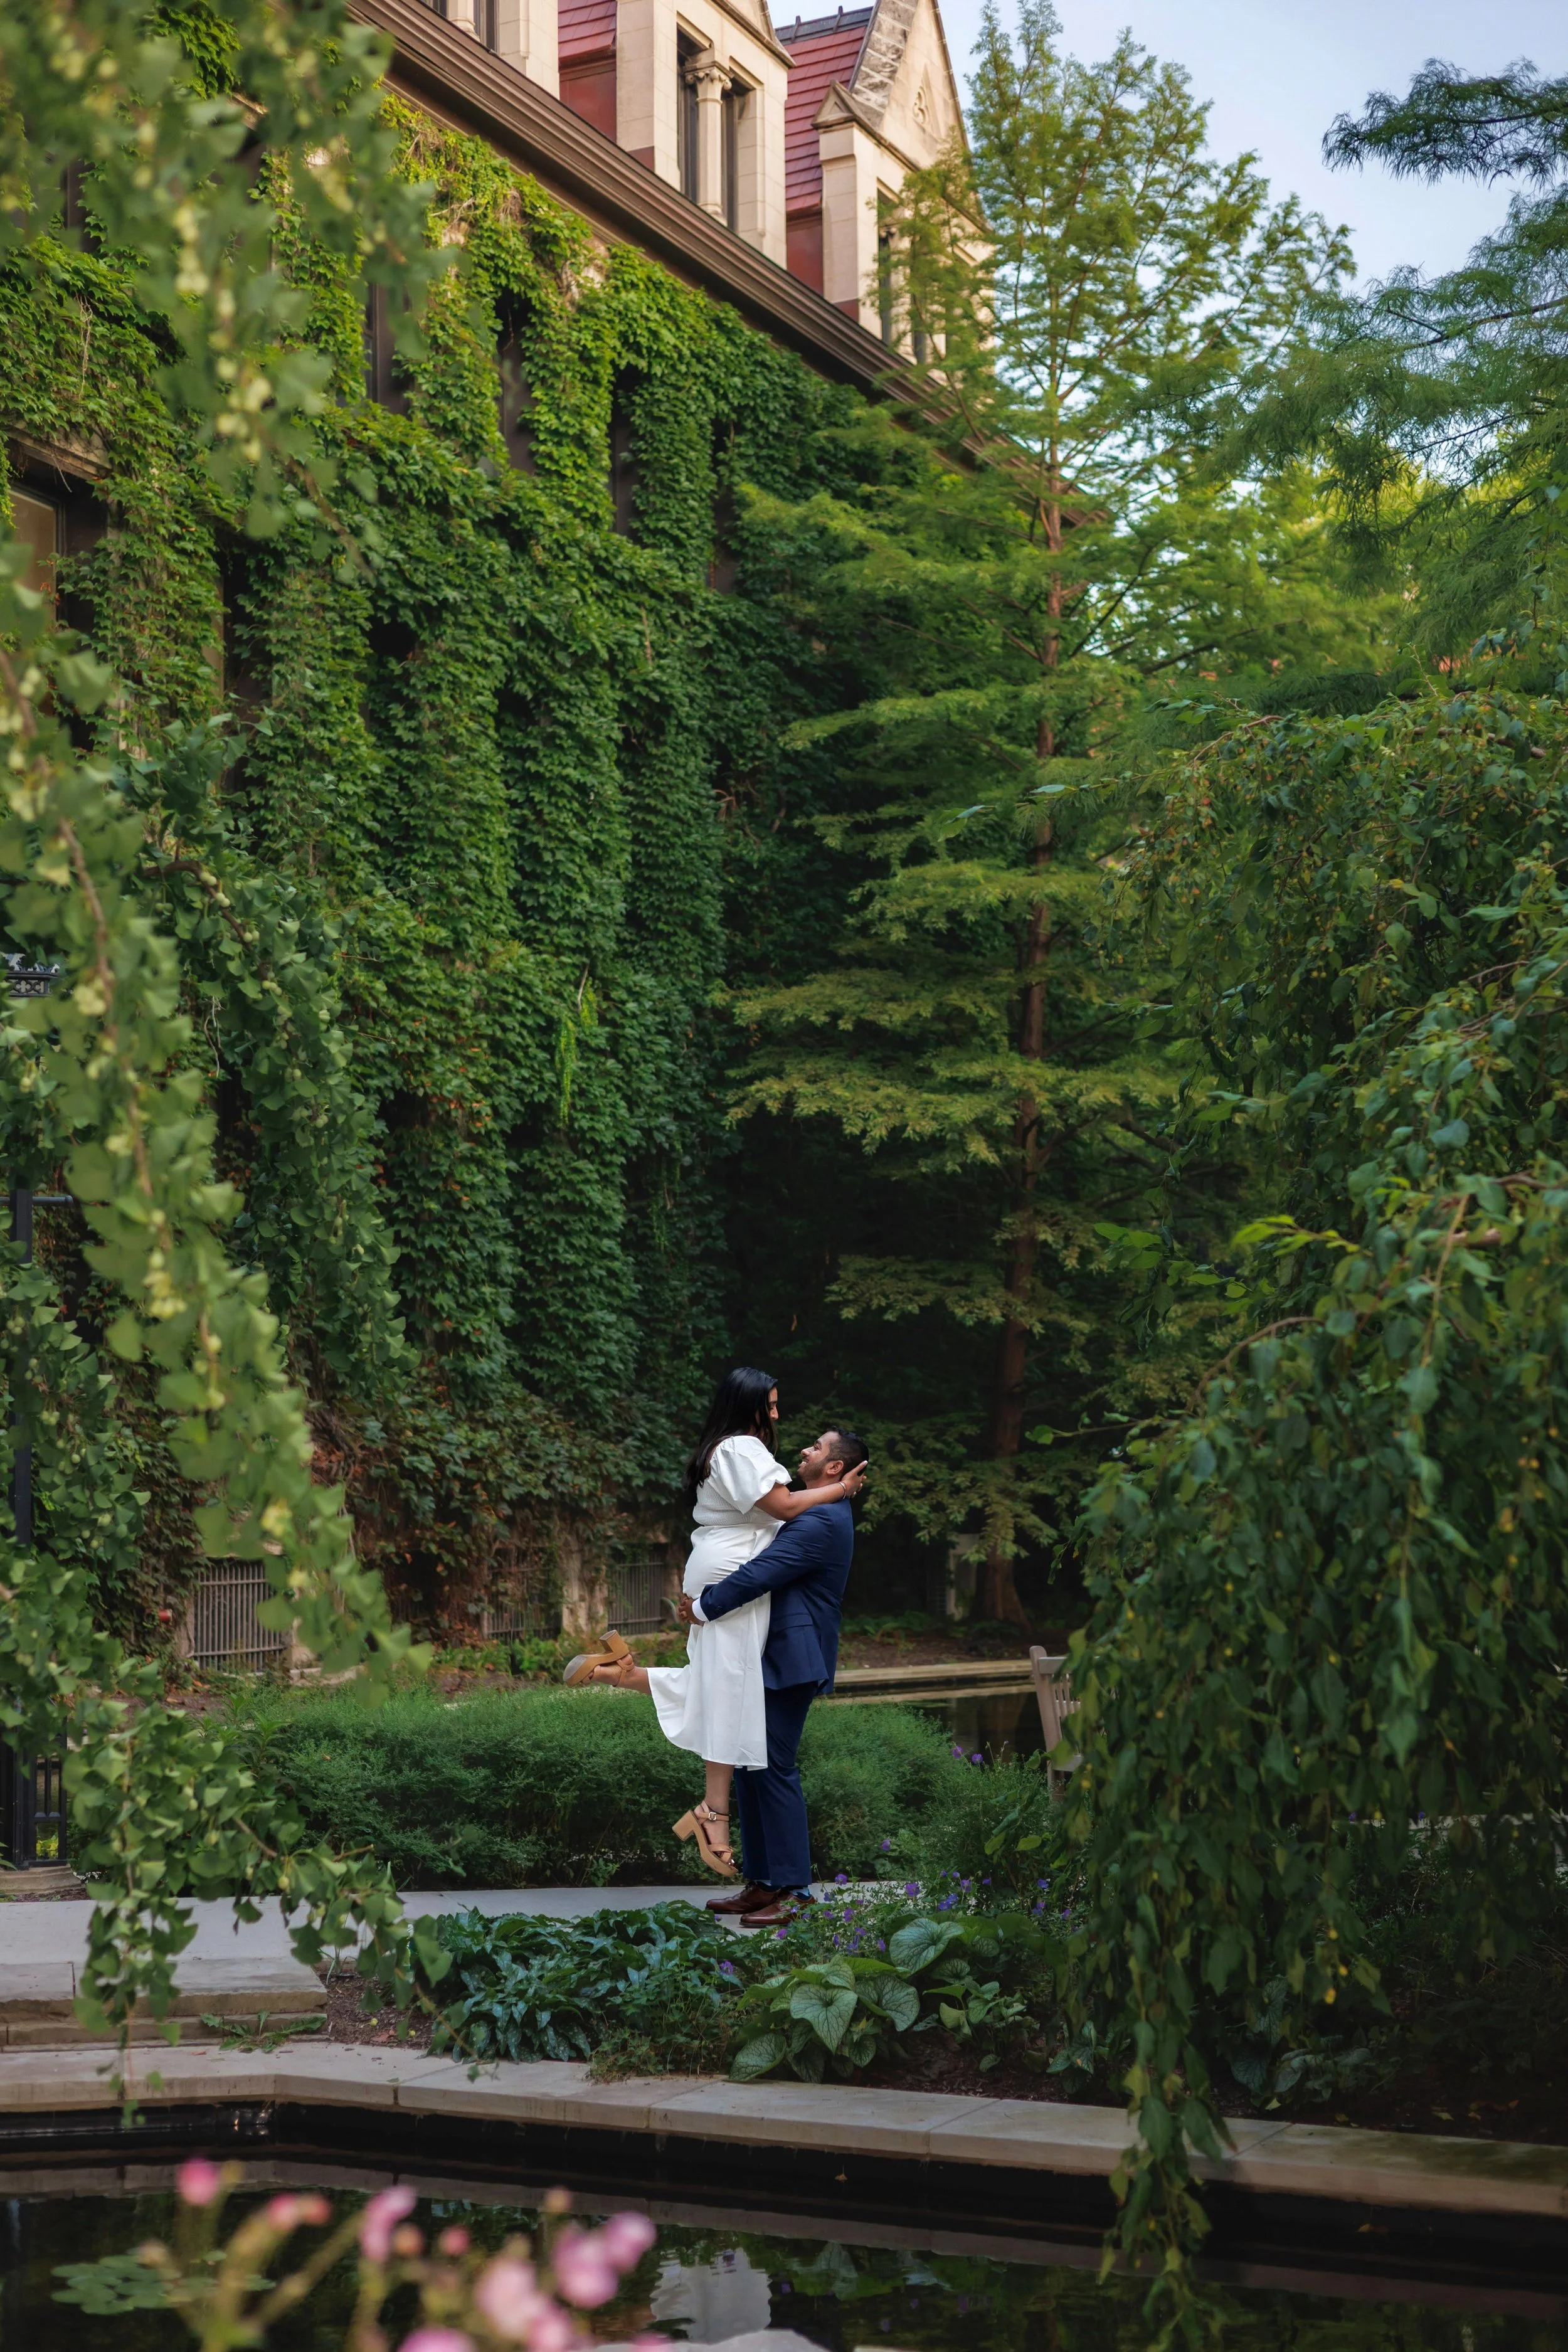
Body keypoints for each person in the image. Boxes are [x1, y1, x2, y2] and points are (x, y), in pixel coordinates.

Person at [563, 1368, 867, 1877]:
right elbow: (783, 1509)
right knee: (732, 1708)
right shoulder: (747, 1454)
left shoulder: (750, 1466)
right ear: (747, 1405)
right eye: (769, 1405)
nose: (777, 1416)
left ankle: (621, 1676)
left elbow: (778, 1530)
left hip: (751, 1610)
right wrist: (839, 1491)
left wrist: (704, 1603)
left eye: (816, 1446)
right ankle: (720, 1823)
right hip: (735, 1593)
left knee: (729, 1708)